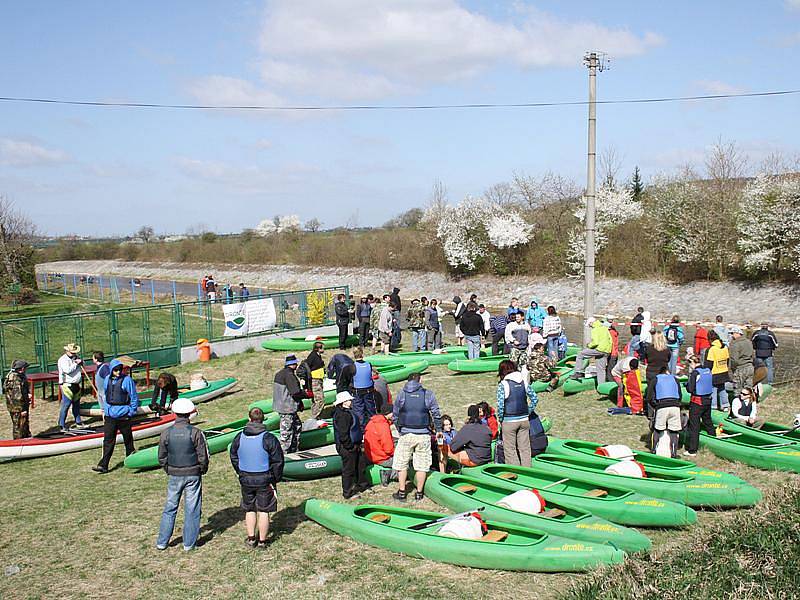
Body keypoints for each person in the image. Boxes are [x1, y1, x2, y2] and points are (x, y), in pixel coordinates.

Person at [156, 398, 209, 552]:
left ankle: (162, 542)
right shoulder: (196, 433)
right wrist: (201, 469)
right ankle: (189, 544)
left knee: (170, 507)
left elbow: (161, 456)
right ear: (189, 414)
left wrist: (168, 469)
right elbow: (203, 456)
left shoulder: (166, 433)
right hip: (193, 473)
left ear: (174, 413)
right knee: (192, 508)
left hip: (174, 474)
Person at [229, 407, 285, 547]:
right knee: (264, 510)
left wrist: (240, 471)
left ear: (249, 419)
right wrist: (275, 477)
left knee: (249, 508)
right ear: (263, 419)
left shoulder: (239, 437)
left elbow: (234, 456)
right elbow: (278, 460)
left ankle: (251, 538)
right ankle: (262, 541)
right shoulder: (269, 438)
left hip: (246, 478)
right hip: (265, 478)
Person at [392, 373, 442, 501]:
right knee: (422, 465)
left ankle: (402, 492)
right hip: (423, 434)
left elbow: (396, 414)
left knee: (401, 463)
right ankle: (419, 493)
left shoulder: (402, 394)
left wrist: (400, 429)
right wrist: (438, 429)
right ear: (420, 380)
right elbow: (436, 413)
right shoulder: (428, 394)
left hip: (406, 433)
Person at [93, 359, 140, 473]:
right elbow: (106, 395)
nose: (118, 372)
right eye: (115, 370)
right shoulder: (106, 380)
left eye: (120, 369)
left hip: (124, 414)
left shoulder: (127, 380)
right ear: (111, 370)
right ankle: (104, 465)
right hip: (110, 416)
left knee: (128, 439)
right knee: (108, 440)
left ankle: (132, 459)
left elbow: (133, 396)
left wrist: (131, 411)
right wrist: (105, 410)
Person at [496, 359, 536, 467]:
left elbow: (500, 406)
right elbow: (534, 398)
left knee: (510, 450)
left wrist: (501, 419)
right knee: (525, 449)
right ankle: (528, 471)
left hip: (509, 421)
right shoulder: (524, 381)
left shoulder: (503, 384)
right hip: (524, 420)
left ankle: (515, 472)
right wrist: (528, 411)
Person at [333, 391, 370, 498]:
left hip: (355, 444)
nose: (351, 401)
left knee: (360, 465)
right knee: (348, 470)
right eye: (349, 400)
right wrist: (350, 446)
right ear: (343, 402)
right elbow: (343, 434)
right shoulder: (342, 415)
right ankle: (348, 492)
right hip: (347, 447)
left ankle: (362, 485)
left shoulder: (347, 412)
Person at [272, 355, 307, 453]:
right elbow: (295, 392)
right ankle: (284, 455)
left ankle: (294, 450)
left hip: (283, 406)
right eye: (296, 363)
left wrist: (299, 404)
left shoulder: (280, 374)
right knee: (286, 433)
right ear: (293, 364)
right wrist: (306, 394)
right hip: (287, 409)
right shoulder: (289, 375)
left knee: (297, 426)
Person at [648, 366, 683, 458]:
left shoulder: (656, 379)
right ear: (667, 371)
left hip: (662, 406)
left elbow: (649, 396)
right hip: (675, 406)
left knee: (657, 429)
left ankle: (654, 450)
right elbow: (680, 395)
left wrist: (655, 405)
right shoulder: (675, 379)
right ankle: (674, 453)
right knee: (674, 431)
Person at [683, 354, 714, 457]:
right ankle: (713, 438)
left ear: (692, 363)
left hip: (697, 402)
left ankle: (692, 450)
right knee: (708, 421)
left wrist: (687, 384)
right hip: (708, 400)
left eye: (689, 364)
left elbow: (690, 389)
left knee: (694, 426)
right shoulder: (708, 370)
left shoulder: (695, 373)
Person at [571, 318, 612, 386]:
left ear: (592, 323)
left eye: (589, 324)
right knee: (601, 369)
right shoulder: (604, 327)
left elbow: (595, 343)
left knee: (580, 354)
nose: (589, 326)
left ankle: (578, 372)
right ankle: (601, 386)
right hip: (607, 351)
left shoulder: (595, 329)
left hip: (599, 349)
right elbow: (610, 339)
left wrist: (589, 345)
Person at [364, 402, 396, 486]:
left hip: (371, 455)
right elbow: (388, 449)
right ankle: (390, 474)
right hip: (382, 458)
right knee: (407, 463)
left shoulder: (372, 422)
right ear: (389, 413)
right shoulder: (383, 425)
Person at [57, 342, 85, 431]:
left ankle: (78, 422)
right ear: (67, 351)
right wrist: (76, 364)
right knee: (66, 405)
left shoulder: (76, 358)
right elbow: (67, 370)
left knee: (76, 404)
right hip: (67, 385)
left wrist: (81, 362)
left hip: (76, 384)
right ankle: (61, 424)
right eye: (72, 352)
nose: (74, 354)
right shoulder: (63, 360)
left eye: (75, 352)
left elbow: (82, 365)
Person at [350, 347, 377, 436]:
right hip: (368, 390)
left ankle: (362, 430)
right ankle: (373, 427)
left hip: (358, 391)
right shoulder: (368, 364)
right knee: (370, 409)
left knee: (359, 411)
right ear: (362, 353)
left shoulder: (352, 366)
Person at [704, 330, 731, 411]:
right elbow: (727, 360)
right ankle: (725, 405)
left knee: (713, 390)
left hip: (714, 373)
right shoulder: (725, 347)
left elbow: (708, 363)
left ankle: (713, 406)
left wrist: (706, 373)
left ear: (709, 339)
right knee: (722, 389)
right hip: (724, 372)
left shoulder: (711, 349)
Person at [4, 359, 30, 439]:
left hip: (15, 406)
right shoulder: (16, 379)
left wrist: (27, 394)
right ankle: (19, 443)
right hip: (17, 408)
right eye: (25, 368)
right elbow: (17, 397)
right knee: (19, 427)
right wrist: (22, 410)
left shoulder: (16, 375)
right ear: (22, 368)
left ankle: (26, 439)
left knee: (23, 425)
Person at [728, 325, 754, 400]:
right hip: (750, 367)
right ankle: (749, 405)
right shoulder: (749, 342)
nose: (732, 336)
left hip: (740, 369)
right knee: (748, 389)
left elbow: (734, 360)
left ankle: (737, 407)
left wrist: (732, 370)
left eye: (732, 333)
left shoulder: (735, 344)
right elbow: (753, 355)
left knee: (738, 390)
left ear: (737, 333)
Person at [642, 331, 672, 395]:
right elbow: (668, 359)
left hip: (651, 371)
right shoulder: (667, 349)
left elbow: (645, 358)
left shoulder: (648, 348)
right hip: (663, 371)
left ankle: (650, 403)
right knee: (663, 391)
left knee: (651, 391)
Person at [305, 342, 326, 419]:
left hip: (319, 379)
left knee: (317, 399)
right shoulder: (313, 356)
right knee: (320, 400)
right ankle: (315, 416)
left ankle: (316, 416)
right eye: (322, 348)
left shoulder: (317, 355)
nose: (324, 349)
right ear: (318, 349)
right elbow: (307, 366)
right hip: (315, 380)